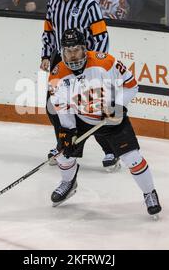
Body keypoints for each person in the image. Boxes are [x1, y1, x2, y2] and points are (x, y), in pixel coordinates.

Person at [48, 28, 162, 217]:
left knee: (132, 158)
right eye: (67, 51)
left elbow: (132, 86)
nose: (72, 55)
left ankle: (149, 193)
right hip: (81, 118)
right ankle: (69, 183)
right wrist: (67, 133)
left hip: (111, 118)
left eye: (76, 49)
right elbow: (63, 107)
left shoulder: (105, 61)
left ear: (85, 48)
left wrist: (117, 107)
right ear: (62, 51)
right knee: (64, 154)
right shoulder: (57, 75)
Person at [41, 0, 119, 172]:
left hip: (85, 63)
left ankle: (110, 150)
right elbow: (48, 31)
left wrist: (94, 66)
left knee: (90, 107)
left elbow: (101, 36)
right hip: (61, 62)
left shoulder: (89, 4)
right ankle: (63, 145)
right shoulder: (53, 3)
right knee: (54, 106)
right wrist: (46, 55)